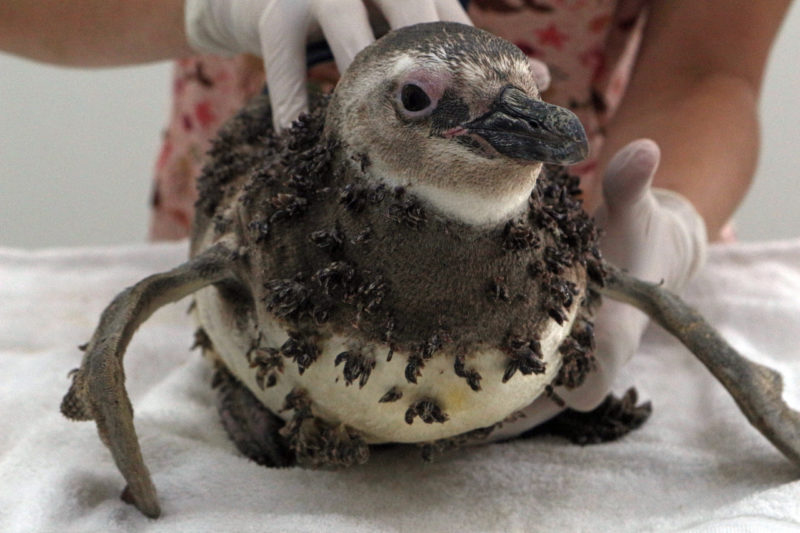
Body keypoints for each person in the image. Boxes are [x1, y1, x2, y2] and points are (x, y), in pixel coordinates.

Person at [1, 0, 792, 434]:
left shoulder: (558, 249)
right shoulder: (267, 235)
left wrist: (674, 222)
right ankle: (248, 386)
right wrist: (205, 9)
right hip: (258, 174)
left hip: (582, 216)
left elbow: (711, 66)